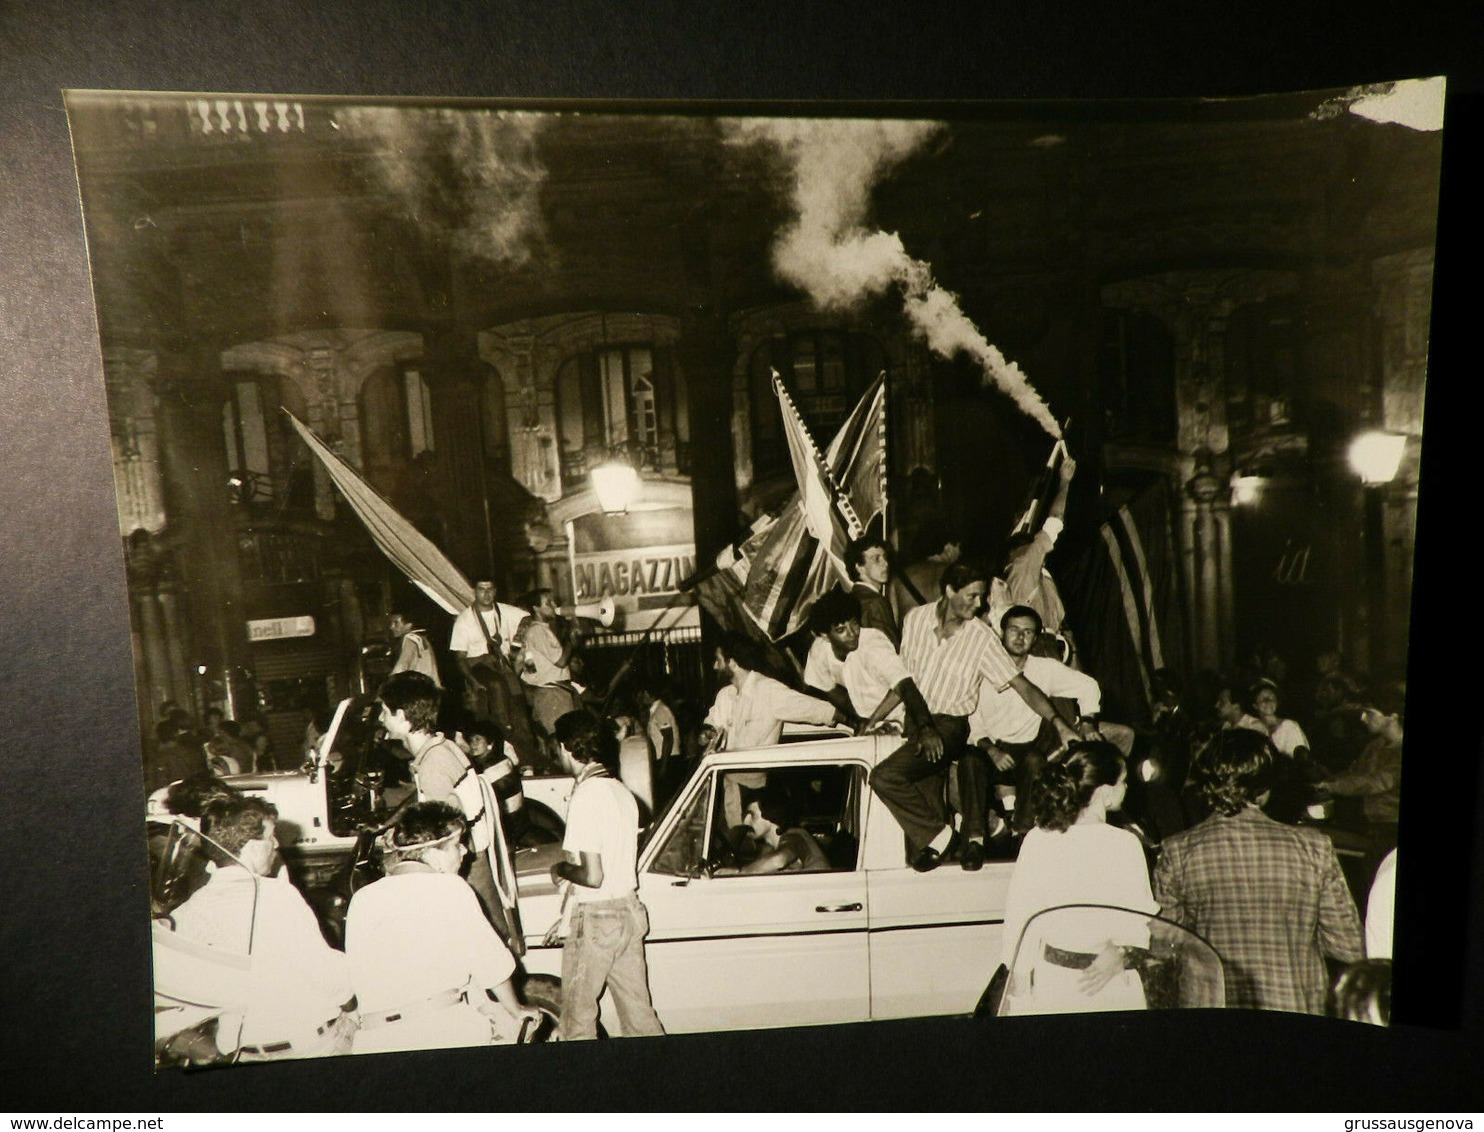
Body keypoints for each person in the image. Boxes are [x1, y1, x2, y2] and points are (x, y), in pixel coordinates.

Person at [871, 561, 1081, 873]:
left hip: (948, 727)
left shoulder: (981, 638)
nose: (979, 603)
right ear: (949, 591)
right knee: (923, 848)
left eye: (981, 597)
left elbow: (1024, 688)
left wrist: (1059, 723)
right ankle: (940, 847)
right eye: (971, 596)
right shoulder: (915, 620)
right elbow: (904, 681)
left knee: (884, 776)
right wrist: (873, 719)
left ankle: (946, 835)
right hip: (917, 722)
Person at [1153, 728, 1364, 1014]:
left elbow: (1164, 947)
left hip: (1210, 1006)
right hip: (1293, 1004)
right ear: (1264, 790)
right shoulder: (1314, 847)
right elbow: (1347, 945)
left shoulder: (1176, 851)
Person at [165, 795, 355, 1062]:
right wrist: (353, 1005)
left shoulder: (191, 909)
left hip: (243, 1054)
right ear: (252, 848)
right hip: (311, 1047)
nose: (276, 845)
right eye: (270, 837)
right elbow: (326, 974)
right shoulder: (278, 896)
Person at [345, 802, 540, 1054]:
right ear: (433, 854)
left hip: (375, 1040)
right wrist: (516, 1009)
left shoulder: (363, 898)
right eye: (457, 844)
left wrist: (483, 1004)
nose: (465, 851)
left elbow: (411, 968)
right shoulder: (450, 888)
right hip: (438, 1032)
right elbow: (491, 965)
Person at [998, 742, 1157, 1013]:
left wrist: (1120, 953)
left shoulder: (1040, 839)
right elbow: (1021, 920)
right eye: (1123, 781)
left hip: (1087, 983)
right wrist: (1121, 952)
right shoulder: (1124, 843)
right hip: (1081, 983)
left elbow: (1018, 920)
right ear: (1105, 793)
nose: (1127, 788)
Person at [546, 710, 665, 1040]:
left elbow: (593, 875)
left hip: (598, 918)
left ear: (568, 748)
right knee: (640, 1017)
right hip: (627, 911)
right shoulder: (621, 791)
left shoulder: (586, 795)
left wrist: (560, 869)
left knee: (576, 1020)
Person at [968, 604, 1127, 833]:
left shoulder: (1045, 669)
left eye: (1028, 632)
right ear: (1001, 632)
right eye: (1014, 629)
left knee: (1037, 760)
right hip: (988, 750)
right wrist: (991, 750)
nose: (1020, 637)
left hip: (1028, 752)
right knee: (967, 763)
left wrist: (1088, 721)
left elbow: (1089, 686)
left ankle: (1023, 832)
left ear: (1035, 639)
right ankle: (977, 835)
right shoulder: (981, 669)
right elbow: (973, 722)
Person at [377, 671, 506, 936]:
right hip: (475, 858)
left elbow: (442, 837)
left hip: (464, 869)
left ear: (402, 716)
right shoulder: (442, 745)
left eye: (385, 712)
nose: (381, 719)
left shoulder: (433, 765)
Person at [988, 454, 1076, 660]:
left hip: (1050, 652)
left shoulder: (1039, 578)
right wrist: (1064, 482)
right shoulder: (1023, 564)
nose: (1036, 547)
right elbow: (1055, 522)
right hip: (1036, 654)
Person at [449, 575, 540, 766]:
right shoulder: (464, 620)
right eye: (481, 589)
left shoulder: (504, 611)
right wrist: (473, 682)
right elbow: (460, 659)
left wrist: (517, 640)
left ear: (495, 591)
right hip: (478, 666)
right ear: (474, 591)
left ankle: (527, 763)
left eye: (490, 589)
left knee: (519, 710)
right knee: (496, 689)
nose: (486, 594)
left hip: (501, 665)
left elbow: (528, 617)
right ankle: (503, 735)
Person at [1314, 683, 1404, 879]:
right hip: (1369, 825)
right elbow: (1354, 773)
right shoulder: (1375, 745)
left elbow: (1376, 782)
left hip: (1391, 828)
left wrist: (1332, 786)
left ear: (1392, 715)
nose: (1363, 718)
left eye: (1369, 713)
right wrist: (1323, 780)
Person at [705, 631, 844, 751]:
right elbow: (712, 725)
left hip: (753, 779)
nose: (715, 666)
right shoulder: (725, 695)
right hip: (724, 774)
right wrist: (706, 733)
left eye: (718, 660)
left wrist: (852, 721)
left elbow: (817, 710)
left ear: (732, 663)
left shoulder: (768, 691)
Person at [515, 588, 583, 758]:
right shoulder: (538, 631)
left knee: (563, 744)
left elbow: (530, 668)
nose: (554, 605)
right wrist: (571, 642)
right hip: (553, 695)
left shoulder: (539, 630)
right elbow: (560, 660)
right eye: (548, 603)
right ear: (536, 608)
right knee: (564, 744)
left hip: (553, 693)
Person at [718, 786, 830, 875]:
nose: (746, 822)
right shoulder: (770, 847)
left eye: (752, 816)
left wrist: (740, 872)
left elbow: (780, 859)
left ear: (771, 815)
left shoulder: (795, 836)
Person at [843, 532, 900, 647]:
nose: (886, 564)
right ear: (859, 567)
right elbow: (890, 650)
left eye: (885, 557)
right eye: (876, 559)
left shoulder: (851, 598)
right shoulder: (875, 602)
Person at [145, 716, 208, 794]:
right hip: (192, 796)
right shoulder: (192, 752)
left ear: (158, 736)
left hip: (168, 797)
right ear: (177, 733)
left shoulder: (157, 758)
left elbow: (153, 784)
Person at [388, 610, 441, 686]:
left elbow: (401, 667)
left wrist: (389, 683)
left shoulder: (410, 639)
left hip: (418, 689)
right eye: (391, 623)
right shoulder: (421, 638)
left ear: (409, 624)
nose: (391, 627)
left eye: (396, 623)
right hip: (430, 687)